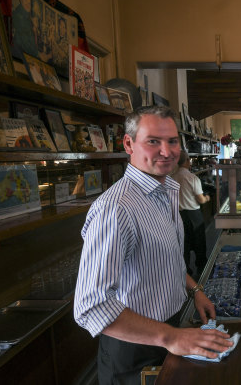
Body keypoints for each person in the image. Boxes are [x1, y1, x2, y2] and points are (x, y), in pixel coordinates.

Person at [74, 106, 232, 384]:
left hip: (171, 329)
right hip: (134, 349)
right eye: (153, 141)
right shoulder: (116, 209)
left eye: (172, 141)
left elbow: (165, 259)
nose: (166, 151)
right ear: (128, 143)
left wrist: (194, 289)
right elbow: (91, 306)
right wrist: (170, 336)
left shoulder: (165, 191)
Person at [172, 150, 211, 277]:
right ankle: (202, 273)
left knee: (184, 245)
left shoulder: (171, 178)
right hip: (194, 215)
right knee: (199, 244)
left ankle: (186, 274)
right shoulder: (192, 178)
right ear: (188, 161)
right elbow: (200, 199)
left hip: (178, 215)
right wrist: (207, 198)